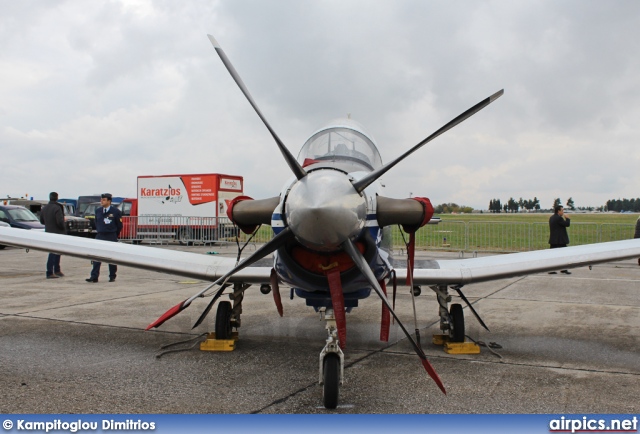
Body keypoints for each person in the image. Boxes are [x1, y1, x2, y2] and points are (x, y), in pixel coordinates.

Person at [86, 193, 122, 283]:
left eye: (104, 200)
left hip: (111, 235)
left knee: (111, 257)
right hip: (100, 235)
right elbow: (96, 222)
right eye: (101, 199)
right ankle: (94, 276)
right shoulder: (98, 211)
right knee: (97, 256)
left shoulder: (115, 211)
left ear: (109, 201)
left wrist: (114, 234)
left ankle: (112, 276)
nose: (101, 201)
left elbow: (119, 225)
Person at [39, 192, 66, 279]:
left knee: (54, 251)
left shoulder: (45, 208)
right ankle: (51, 271)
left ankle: (56, 270)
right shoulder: (57, 207)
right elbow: (60, 221)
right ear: (57, 198)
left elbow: (42, 221)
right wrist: (63, 227)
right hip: (57, 232)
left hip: (49, 232)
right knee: (55, 252)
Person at [548, 205, 571, 274]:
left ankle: (552, 269)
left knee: (553, 255)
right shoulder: (559, 218)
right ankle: (563, 269)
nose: (563, 212)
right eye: (562, 210)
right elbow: (567, 224)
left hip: (553, 239)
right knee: (564, 255)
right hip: (560, 240)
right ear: (558, 211)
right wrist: (567, 218)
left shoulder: (551, 217)